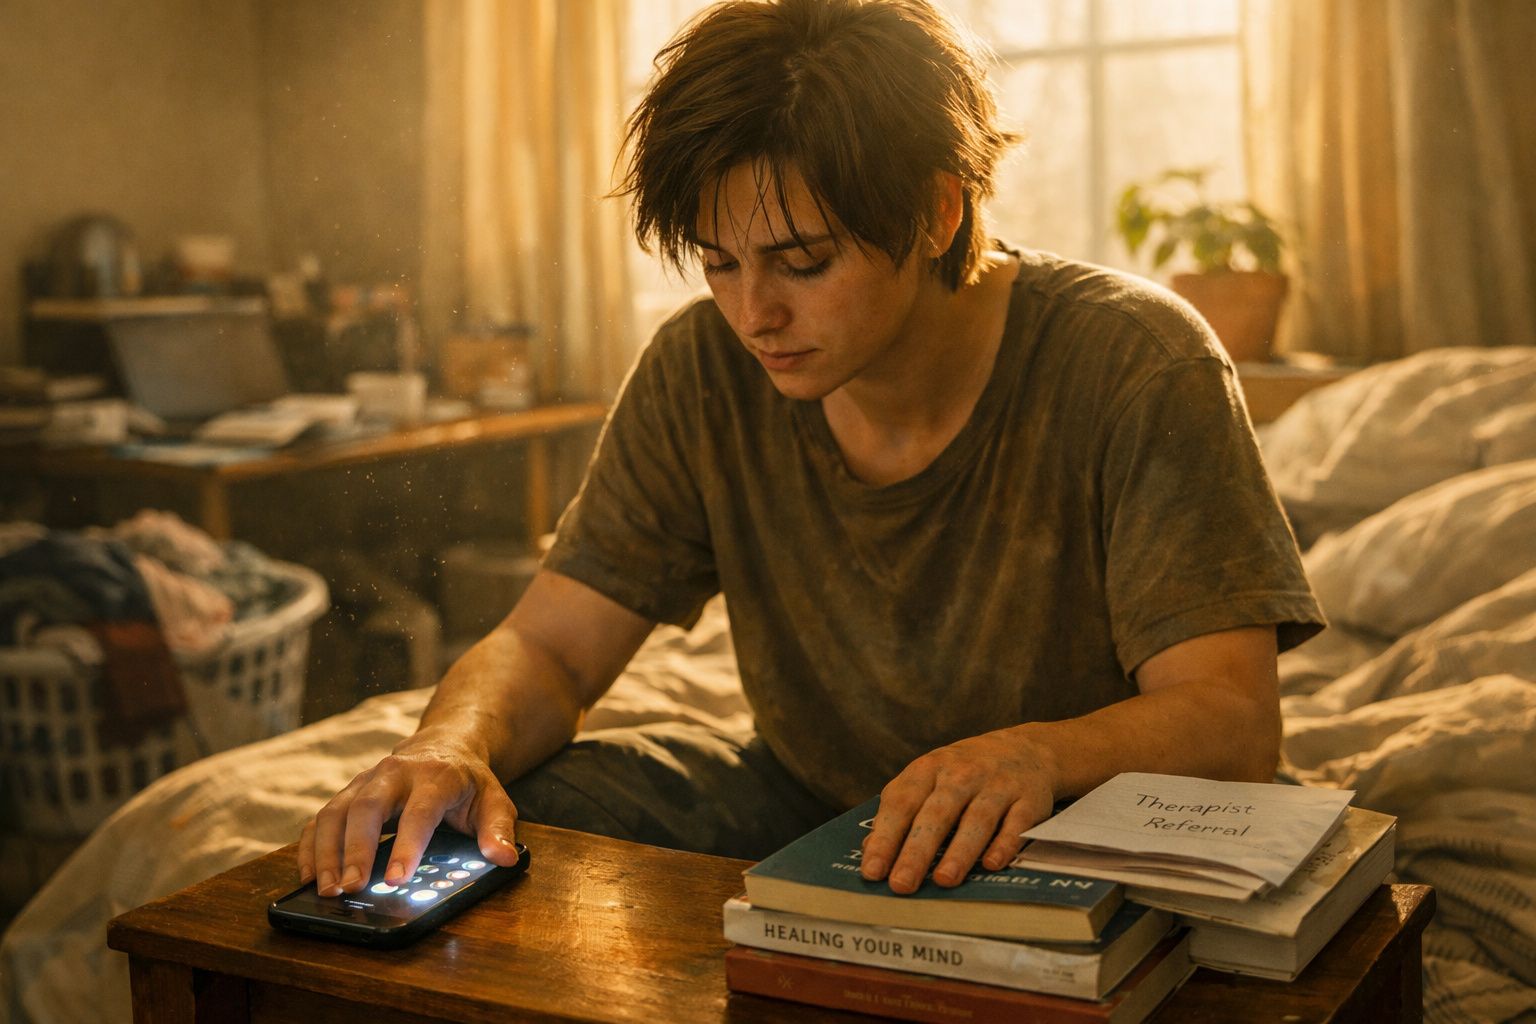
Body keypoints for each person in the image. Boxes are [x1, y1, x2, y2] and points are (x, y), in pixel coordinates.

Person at [299, 0, 1323, 901]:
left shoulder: (1136, 360)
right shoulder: (701, 368)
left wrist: (1036, 756)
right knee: (508, 814)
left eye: (802, 261)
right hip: (812, 802)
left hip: (1081, 822)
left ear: (936, 211)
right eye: (719, 262)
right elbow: (554, 647)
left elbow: (1232, 725)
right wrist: (451, 739)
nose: (755, 313)